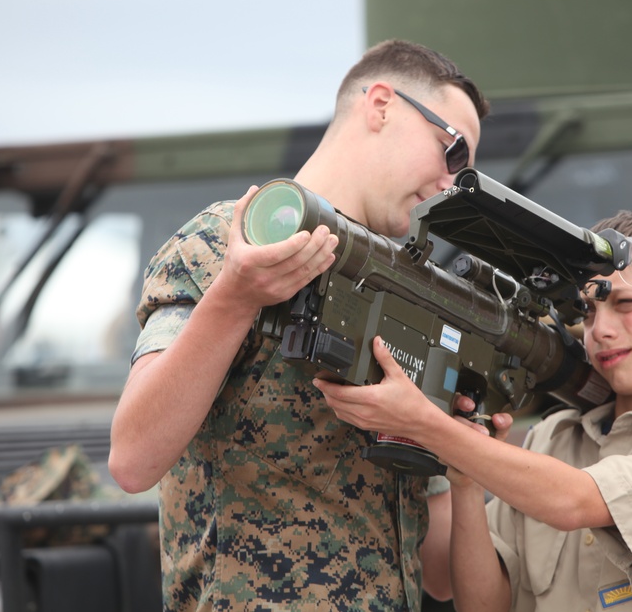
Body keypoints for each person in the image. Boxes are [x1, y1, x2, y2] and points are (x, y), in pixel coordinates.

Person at [108, 39, 489, 611]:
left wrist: (466, 463)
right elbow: (133, 458)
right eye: (452, 152)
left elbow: (438, 576)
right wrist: (236, 297)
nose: (449, 183)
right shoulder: (227, 243)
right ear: (381, 105)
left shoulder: (414, 296)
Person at [316, 208, 632, 611]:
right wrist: (467, 482)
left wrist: (424, 423)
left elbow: (576, 501)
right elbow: (480, 603)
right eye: (588, 313)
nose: (601, 330)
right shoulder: (553, 438)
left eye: (628, 305)